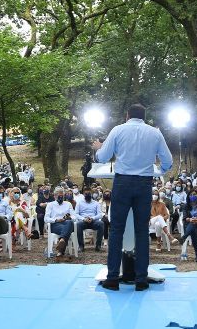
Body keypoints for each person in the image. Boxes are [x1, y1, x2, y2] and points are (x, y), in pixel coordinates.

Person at [93, 104, 174, 290]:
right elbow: (168, 160)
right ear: (144, 116)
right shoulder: (155, 133)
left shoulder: (118, 130)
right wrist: (160, 170)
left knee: (116, 231)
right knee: (141, 231)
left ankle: (113, 278)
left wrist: (98, 148)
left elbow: (103, 157)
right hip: (144, 184)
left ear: (127, 115)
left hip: (122, 183)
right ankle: (141, 279)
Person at [46, 188, 76, 256]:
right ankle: (61, 248)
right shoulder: (50, 205)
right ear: (55, 196)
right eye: (59, 195)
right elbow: (46, 218)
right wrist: (56, 220)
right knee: (67, 228)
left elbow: (74, 217)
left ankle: (62, 240)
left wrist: (70, 217)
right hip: (55, 224)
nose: (60, 197)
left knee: (70, 222)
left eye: (62, 195)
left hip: (66, 223)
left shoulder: (68, 204)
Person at [74, 187, 105, 252]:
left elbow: (100, 214)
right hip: (83, 221)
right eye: (86, 193)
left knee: (101, 223)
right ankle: (81, 246)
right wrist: (83, 219)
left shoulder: (96, 203)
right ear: (83, 194)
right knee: (78, 224)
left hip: (93, 221)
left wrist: (93, 218)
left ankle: (98, 245)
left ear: (91, 194)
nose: (87, 195)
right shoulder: (79, 203)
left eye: (89, 193)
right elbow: (76, 214)